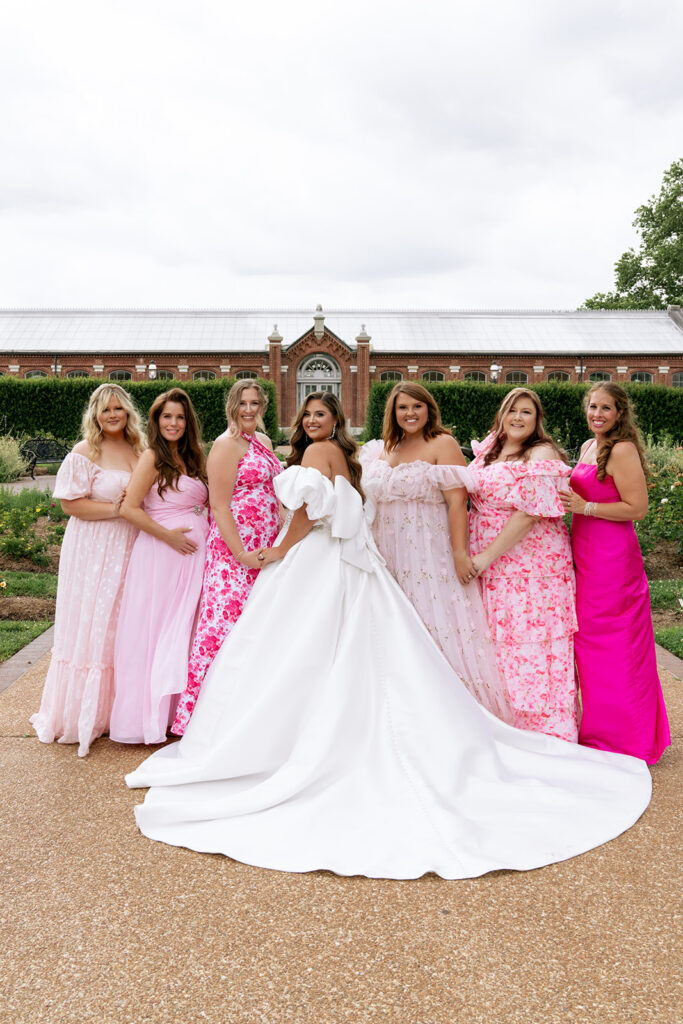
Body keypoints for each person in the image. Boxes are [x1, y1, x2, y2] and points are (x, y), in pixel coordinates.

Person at [126, 393, 650, 882]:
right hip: (355, 557)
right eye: (307, 415)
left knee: (301, 651)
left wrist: (279, 551)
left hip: (321, 559)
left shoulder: (320, 455)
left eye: (321, 415)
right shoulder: (354, 455)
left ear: (335, 421)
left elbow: (308, 515)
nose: (312, 422)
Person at [360, 383, 512, 723]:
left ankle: (450, 715)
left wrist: (459, 553)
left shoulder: (442, 444)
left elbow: (458, 503)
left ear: (429, 409)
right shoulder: (385, 447)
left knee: (432, 623)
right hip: (387, 554)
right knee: (394, 628)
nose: (410, 413)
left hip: (428, 553)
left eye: (417, 406)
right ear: (393, 413)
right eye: (403, 407)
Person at [30, 384, 144, 757]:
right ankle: (86, 711)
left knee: (122, 621)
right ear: (95, 414)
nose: (112, 415)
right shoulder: (84, 452)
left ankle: (120, 711)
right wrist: (117, 510)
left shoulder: (140, 449)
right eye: (105, 409)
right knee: (95, 620)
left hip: (132, 545)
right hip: (95, 547)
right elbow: (70, 504)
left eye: (118, 408)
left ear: (128, 413)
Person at [560, 383, 670, 764]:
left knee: (619, 645)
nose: (597, 414)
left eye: (606, 408)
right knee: (589, 644)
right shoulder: (588, 446)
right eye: (593, 406)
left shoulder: (622, 449)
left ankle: (629, 738)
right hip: (585, 554)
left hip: (613, 560)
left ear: (620, 412)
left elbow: (637, 508)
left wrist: (585, 508)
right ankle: (599, 732)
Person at [468, 388, 579, 742]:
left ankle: (541, 730)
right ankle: (504, 721)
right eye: (512, 410)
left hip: (531, 567)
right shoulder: (490, 450)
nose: (517, 417)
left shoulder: (541, 453)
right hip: (494, 566)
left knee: (530, 641)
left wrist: (486, 556)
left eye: (526, 412)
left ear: (537, 419)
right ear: (501, 415)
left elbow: (530, 513)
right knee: (499, 642)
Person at [172, 381, 282, 735]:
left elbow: (273, 492)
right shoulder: (224, 445)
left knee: (255, 629)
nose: (248, 409)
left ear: (263, 406)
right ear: (231, 406)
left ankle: (244, 715)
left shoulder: (263, 442)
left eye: (254, 403)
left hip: (265, 547)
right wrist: (241, 554)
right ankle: (198, 719)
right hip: (234, 553)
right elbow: (219, 506)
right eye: (242, 403)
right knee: (220, 629)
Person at [109, 389, 208, 746]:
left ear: (188, 422)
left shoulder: (195, 457)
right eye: (167, 416)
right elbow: (129, 508)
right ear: (156, 420)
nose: (173, 423)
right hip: (161, 555)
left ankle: (179, 714)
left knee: (188, 630)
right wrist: (169, 537)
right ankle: (148, 717)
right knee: (157, 628)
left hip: (195, 556)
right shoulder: (152, 457)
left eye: (180, 417)